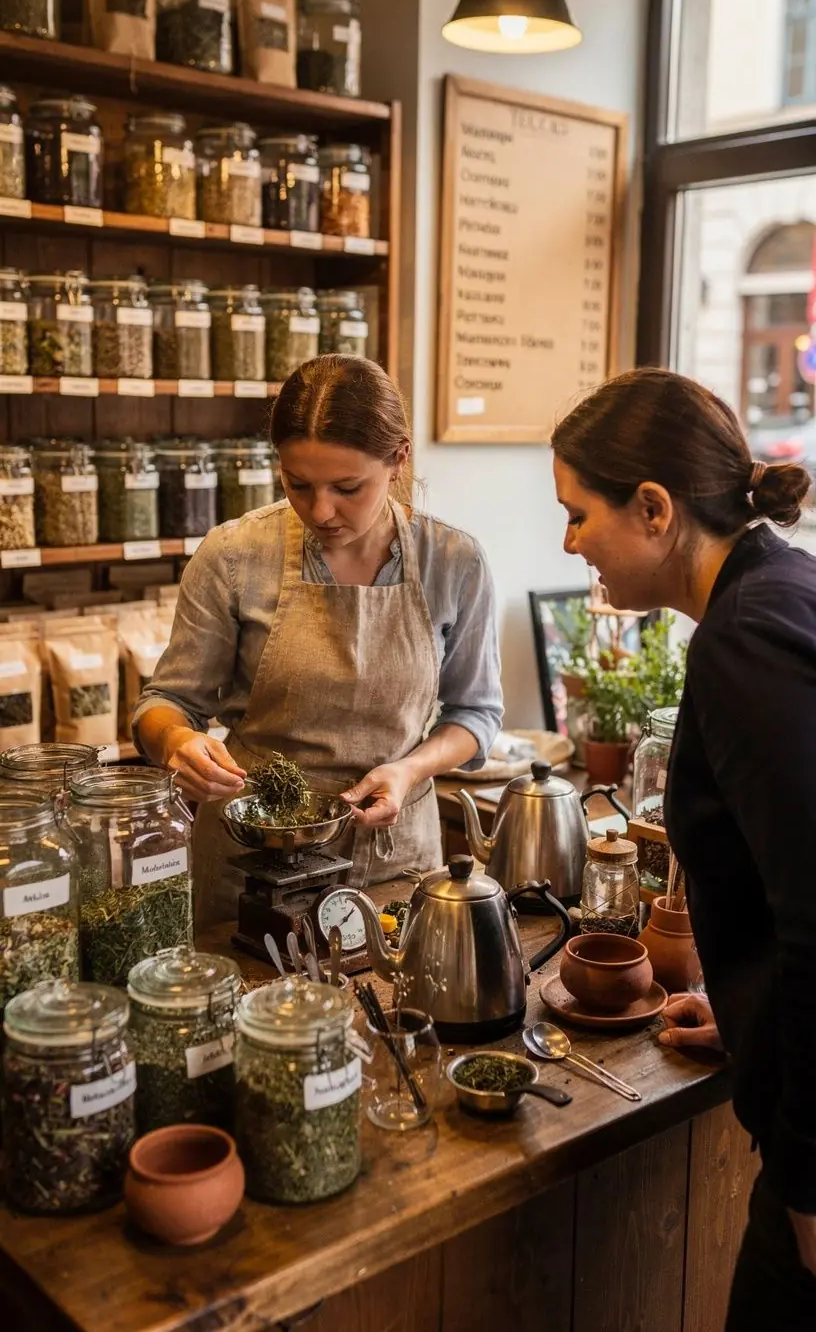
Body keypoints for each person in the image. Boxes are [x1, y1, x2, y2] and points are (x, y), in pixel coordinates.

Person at [551, 367, 816, 1331]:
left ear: (655, 509)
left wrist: (809, 1185)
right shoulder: (782, 587)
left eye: (578, 514)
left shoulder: (743, 638)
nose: (569, 542)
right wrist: (750, 1021)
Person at [134, 355, 503, 927]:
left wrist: (409, 770)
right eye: (298, 484)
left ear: (399, 458)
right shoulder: (233, 556)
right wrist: (176, 741)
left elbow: (475, 715)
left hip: (395, 858)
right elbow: (165, 704)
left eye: (347, 487)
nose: (321, 510)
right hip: (253, 854)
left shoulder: (454, 562)